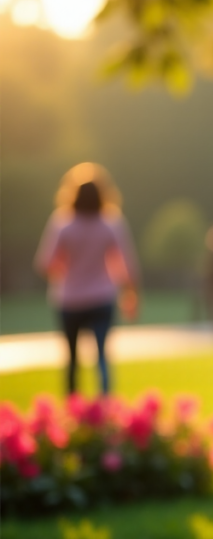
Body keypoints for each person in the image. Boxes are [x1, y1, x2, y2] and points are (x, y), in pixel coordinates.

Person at [35, 163, 141, 397]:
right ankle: (106, 404)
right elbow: (126, 264)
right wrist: (131, 295)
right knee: (102, 356)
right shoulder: (110, 223)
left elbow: (45, 263)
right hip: (102, 297)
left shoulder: (63, 223)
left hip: (69, 299)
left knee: (72, 359)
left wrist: (66, 266)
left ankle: (72, 408)